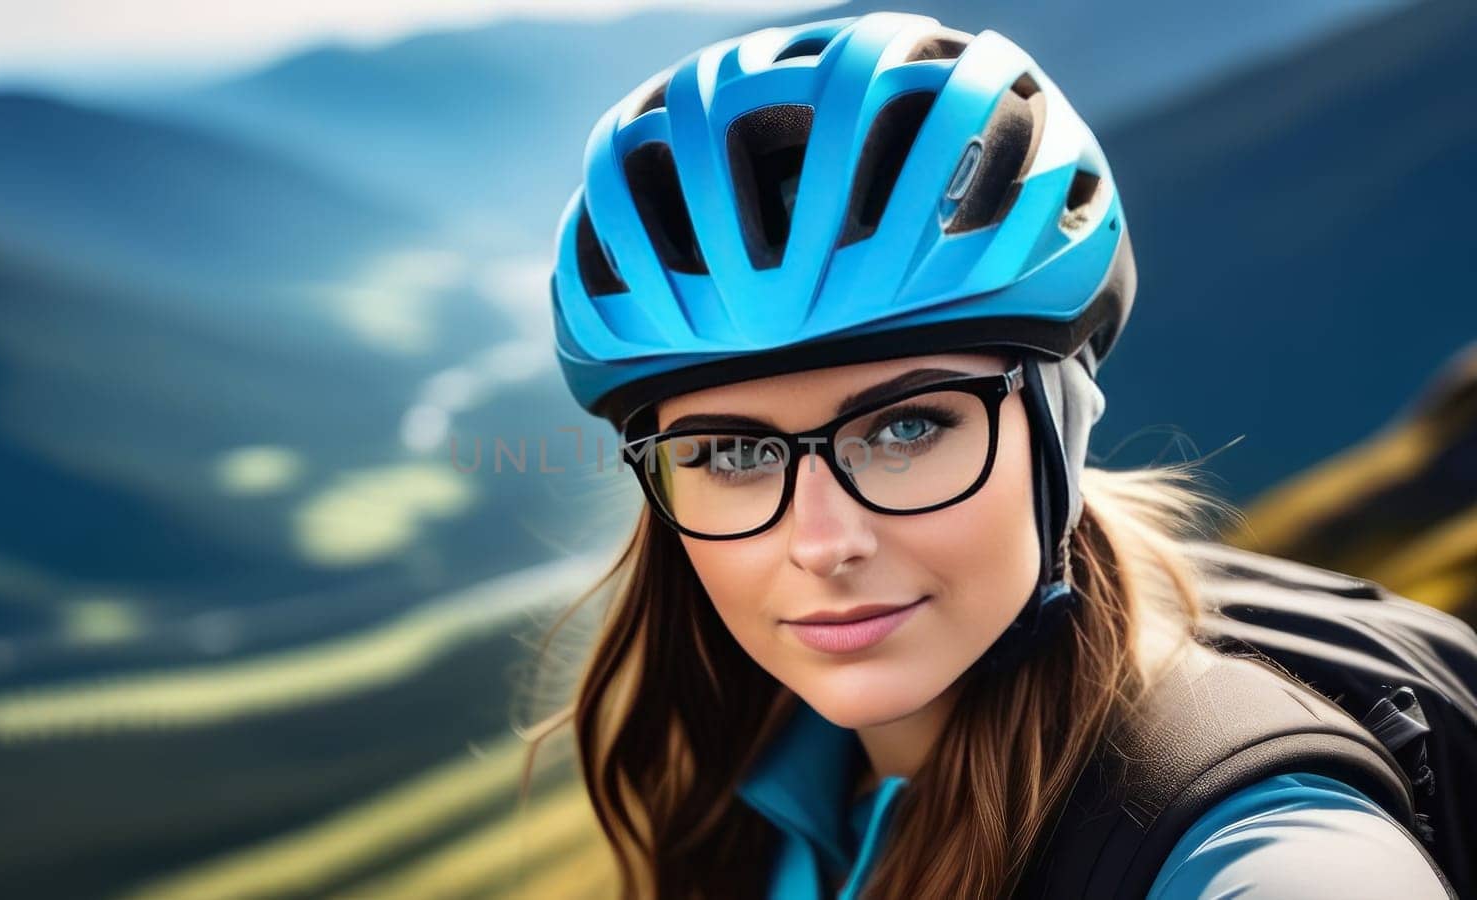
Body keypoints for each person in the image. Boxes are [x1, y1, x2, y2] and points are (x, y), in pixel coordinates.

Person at [523, 12, 1455, 899]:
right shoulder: (751, 777)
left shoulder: (1252, 842)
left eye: (906, 429)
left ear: (1061, 426)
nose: (821, 542)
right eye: (730, 453)